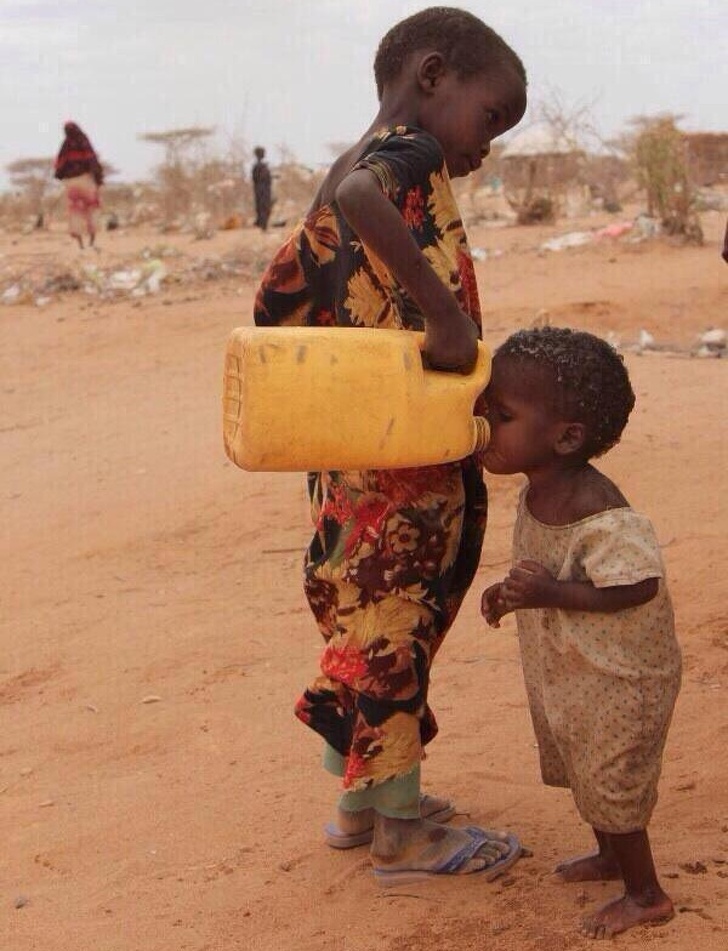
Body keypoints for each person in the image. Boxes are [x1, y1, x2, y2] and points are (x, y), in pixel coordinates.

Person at [252, 7, 527, 883]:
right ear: (434, 73)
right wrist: (445, 323)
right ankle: (403, 834)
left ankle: (362, 803)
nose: (485, 147)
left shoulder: (349, 162)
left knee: (367, 619)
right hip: (397, 463)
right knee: (396, 624)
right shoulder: (402, 160)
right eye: (491, 119)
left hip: (353, 449)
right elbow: (362, 203)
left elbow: (289, 291)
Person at [480, 327, 682, 937]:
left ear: (566, 436)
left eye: (502, 414)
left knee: (611, 777)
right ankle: (607, 856)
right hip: (576, 670)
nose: (484, 423)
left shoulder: (599, 507)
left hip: (622, 678)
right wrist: (510, 594)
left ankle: (645, 894)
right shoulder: (541, 487)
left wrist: (546, 594)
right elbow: (549, 569)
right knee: (585, 765)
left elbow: (636, 584)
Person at [54, 121, 104, 249]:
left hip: (72, 182)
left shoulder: (65, 145)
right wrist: (98, 179)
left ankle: (80, 244)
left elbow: (59, 165)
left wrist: (62, 176)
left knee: (75, 210)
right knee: (92, 208)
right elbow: (92, 159)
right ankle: (92, 240)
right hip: (86, 179)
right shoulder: (83, 141)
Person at [251, 146, 273, 231]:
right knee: (263, 208)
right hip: (262, 190)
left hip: (263, 190)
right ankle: (263, 226)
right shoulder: (259, 166)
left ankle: (263, 225)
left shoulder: (260, 166)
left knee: (264, 207)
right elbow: (257, 178)